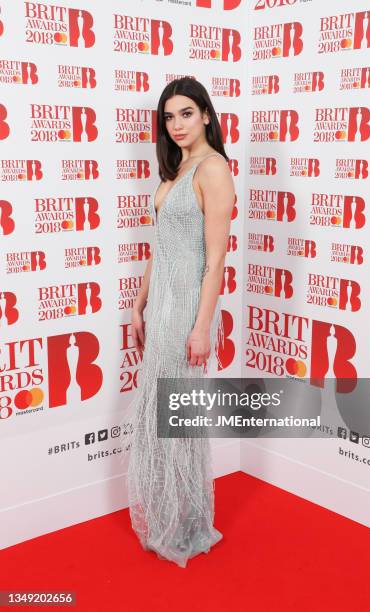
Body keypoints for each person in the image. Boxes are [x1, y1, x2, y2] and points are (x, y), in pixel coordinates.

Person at [119, 77, 235, 568]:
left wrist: (202, 326)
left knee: (175, 418)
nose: (177, 124)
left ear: (206, 115)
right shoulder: (176, 168)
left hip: (187, 306)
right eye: (169, 116)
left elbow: (216, 258)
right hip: (161, 306)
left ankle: (186, 524)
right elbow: (159, 247)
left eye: (186, 113)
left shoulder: (212, 169)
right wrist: (138, 301)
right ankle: (168, 517)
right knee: (157, 416)